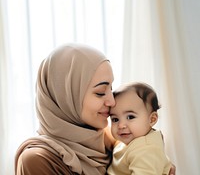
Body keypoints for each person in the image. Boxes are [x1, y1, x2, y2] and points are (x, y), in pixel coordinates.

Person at [15, 44, 176, 175]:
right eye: (100, 93)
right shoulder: (37, 160)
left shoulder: (110, 139)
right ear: (67, 96)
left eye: (111, 89)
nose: (112, 101)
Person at [107, 82, 172, 175]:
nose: (121, 125)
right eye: (115, 119)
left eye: (130, 117)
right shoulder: (130, 139)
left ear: (152, 119)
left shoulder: (146, 150)